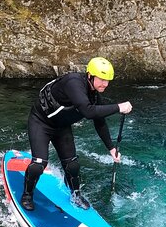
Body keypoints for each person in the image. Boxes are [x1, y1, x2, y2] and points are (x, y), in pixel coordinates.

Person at [21, 57, 133, 211]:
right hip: (41, 123)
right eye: (101, 79)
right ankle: (27, 195)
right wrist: (118, 107)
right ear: (90, 75)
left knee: (72, 165)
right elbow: (88, 111)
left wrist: (111, 148)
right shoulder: (73, 83)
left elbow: (99, 121)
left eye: (108, 80)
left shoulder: (94, 94)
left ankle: (76, 195)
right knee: (39, 164)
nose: (105, 84)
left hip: (62, 127)